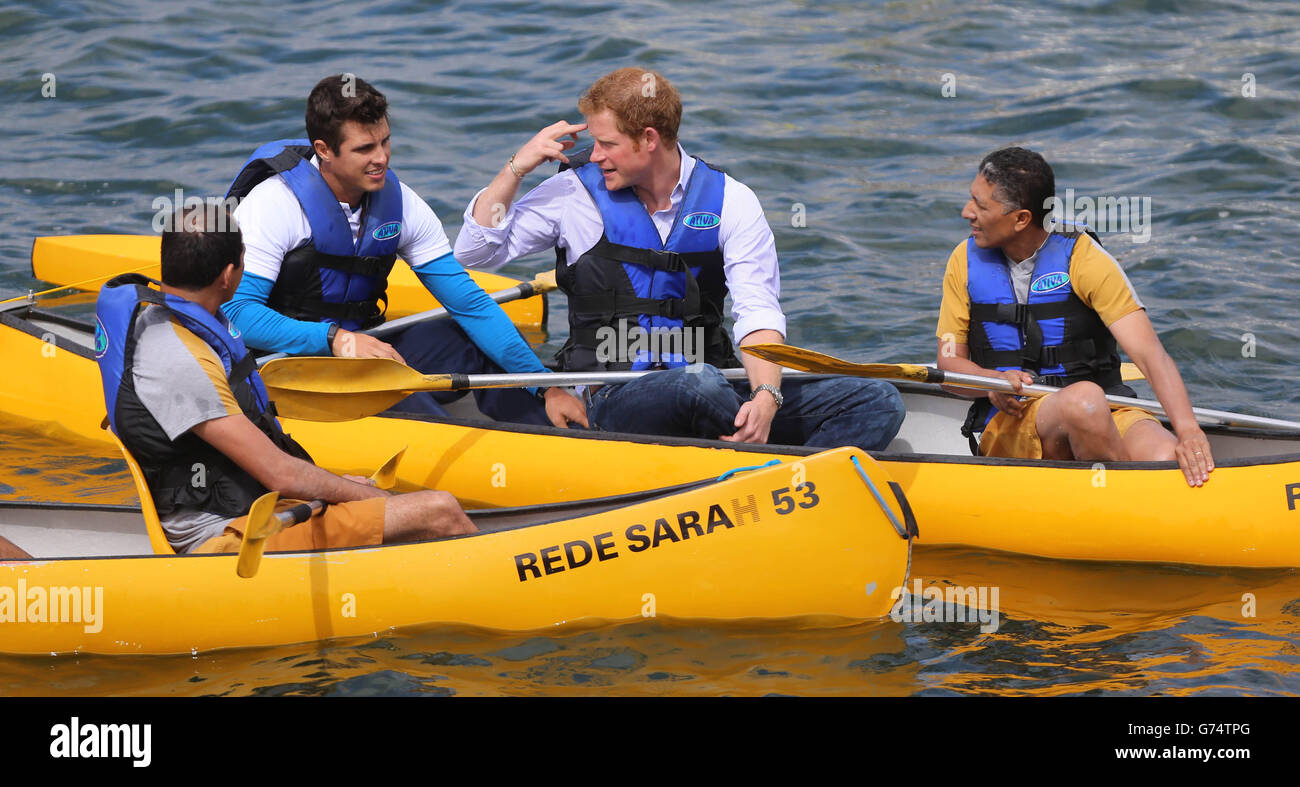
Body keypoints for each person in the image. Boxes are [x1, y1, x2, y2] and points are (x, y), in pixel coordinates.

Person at [453, 67, 904, 451]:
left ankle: (779, 485)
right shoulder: (573, 195)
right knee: (697, 383)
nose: (594, 156)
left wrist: (766, 397)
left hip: (716, 386)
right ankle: (746, 467)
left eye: (606, 143)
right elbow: (473, 253)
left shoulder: (733, 201)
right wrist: (517, 167)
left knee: (878, 400)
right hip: (614, 395)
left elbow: (758, 311)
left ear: (648, 139)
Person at [93, 204, 477, 555]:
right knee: (438, 510)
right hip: (217, 537)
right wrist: (357, 496)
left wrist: (340, 487)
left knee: (376, 494)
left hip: (249, 505)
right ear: (230, 275)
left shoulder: (170, 321)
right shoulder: (181, 358)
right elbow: (279, 473)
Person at [224, 74, 586, 429]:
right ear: (324, 151)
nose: (381, 158)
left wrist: (544, 385)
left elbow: (469, 304)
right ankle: (450, 453)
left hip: (364, 346)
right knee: (407, 396)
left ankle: (555, 434)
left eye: (385, 142)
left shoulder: (402, 205)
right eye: (364, 148)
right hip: (285, 364)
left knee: (466, 341)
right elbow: (238, 314)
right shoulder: (273, 205)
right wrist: (336, 339)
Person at [935, 146, 1213, 487]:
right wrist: (990, 381)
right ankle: (1128, 511)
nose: (967, 212)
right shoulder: (963, 261)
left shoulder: (1084, 257)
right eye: (971, 199)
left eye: (980, 205)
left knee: (1166, 459)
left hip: (1106, 406)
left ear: (1021, 218)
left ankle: (1130, 507)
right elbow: (949, 368)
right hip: (1014, 419)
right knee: (1084, 403)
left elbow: (1149, 354)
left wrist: (1188, 431)